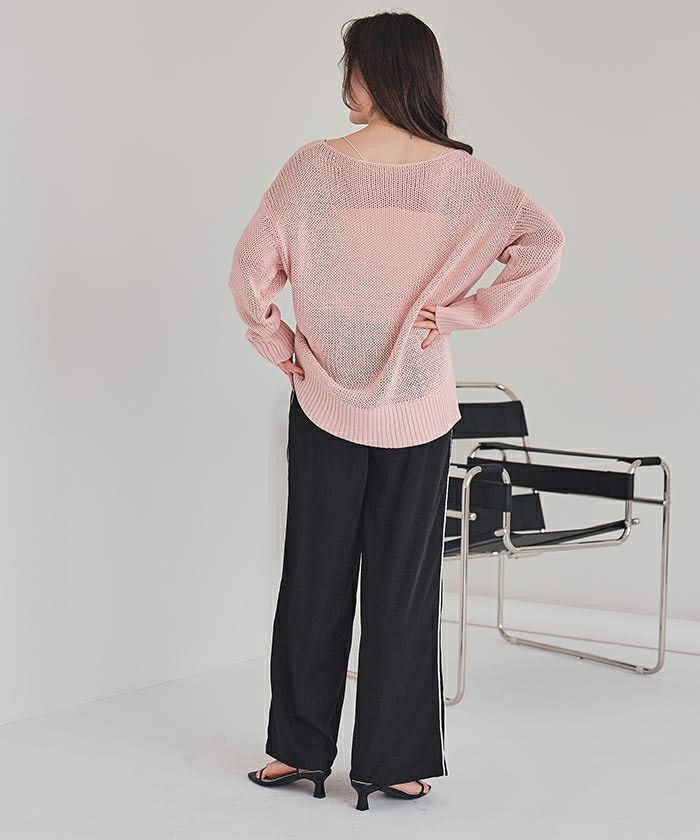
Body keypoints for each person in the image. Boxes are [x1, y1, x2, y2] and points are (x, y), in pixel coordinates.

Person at [228, 10, 565, 812]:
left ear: (377, 72)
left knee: (313, 577)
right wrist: (463, 314)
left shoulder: (312, 169)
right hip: (419, 404)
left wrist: (280, 345)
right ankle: (395, 761)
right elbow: (545, 242)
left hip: (323, 399)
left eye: (349, 66)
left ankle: (297, 750)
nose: (343, 82)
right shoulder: (464, 180)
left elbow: (249, 270)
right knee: (404, 586)